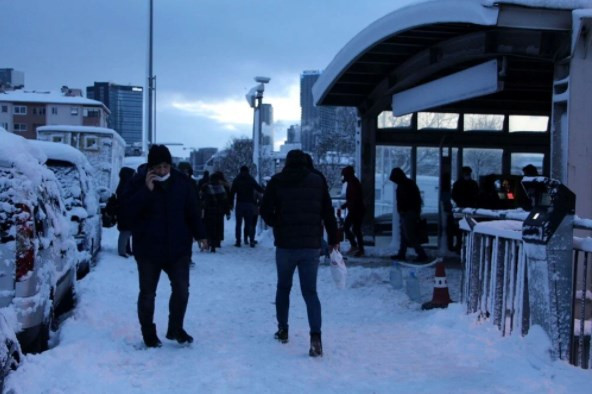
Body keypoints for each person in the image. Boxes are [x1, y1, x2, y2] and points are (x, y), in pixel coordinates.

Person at [121, 145, 207, 348]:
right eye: (157, 167)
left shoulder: (182, 183)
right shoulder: (137, 182)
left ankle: (175, 328)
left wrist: (201, 235)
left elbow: (193, 211)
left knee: (181, 290)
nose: (162, 171)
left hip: (177, 249)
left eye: (165, 166)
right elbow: (126, 215)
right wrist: (146, 191)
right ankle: (149, 334)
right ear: (150, 167)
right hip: (148, 250)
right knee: (148, 293)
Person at [260, 149, 339, 358]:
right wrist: (334, 239)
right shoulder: (317, 181)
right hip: (311, 245)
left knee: (283, 287)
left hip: (285, 244)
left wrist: (277, 223)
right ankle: (316, 338)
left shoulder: (277, 181)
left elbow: (265, 210)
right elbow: (328, 212)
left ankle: (283, 329)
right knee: (310, 293)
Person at [389, 167, 429, 263]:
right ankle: (402, 253)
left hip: (408, 213)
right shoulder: (408, 184)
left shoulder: (404, 185)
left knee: (409, 235)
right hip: (408, 212)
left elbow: (407, 200)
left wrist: (403, 210)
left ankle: (421, 253)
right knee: (405, 234)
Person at [230, 165, 264, 247]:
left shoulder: (237, 179)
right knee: (249, 223)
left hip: (240, 203)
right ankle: (251, 240)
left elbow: (232, 192)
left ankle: (238, 241)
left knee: (238, 224)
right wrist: (265, 190)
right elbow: (258, 188)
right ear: (248, 171)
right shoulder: (250, 179)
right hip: (250, 204)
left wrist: (230, 203)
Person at [201, 171, 230, 252]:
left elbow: (202, 198)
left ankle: (210, 242)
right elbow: (225, 201)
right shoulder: (221, 188)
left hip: (209, 210)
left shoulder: (207, 187)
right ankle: (216, 242)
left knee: (209, 227)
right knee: (218, 227)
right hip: (219, 211)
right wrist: (227, 211)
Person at [340, 166, 365, 257]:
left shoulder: (353, 183)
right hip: (356, 209)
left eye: (344, 175)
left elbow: (354, 198)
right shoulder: (353, 182)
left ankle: (357, 247)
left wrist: (346, 205)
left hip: (356, 210)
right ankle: (358, 247)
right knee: (355, 229)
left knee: (349, 228)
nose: (343, 177)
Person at [115, 167, 136, 257]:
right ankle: (122, 251)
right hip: (125, 213)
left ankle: (127, 249)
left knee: (127, 232)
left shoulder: (124, 185)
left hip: (125, 212)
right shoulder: (125, 187)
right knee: (125, 231)